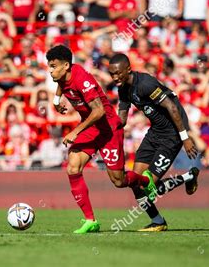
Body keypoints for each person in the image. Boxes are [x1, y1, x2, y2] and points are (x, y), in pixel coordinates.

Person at [46, 45, 155, 234]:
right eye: (49, 66)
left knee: (119, 181)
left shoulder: (82, 80)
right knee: (73, 166)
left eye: (53, 66)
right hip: (91, 128)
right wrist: (56, 101)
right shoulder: (64, 75)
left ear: (66, 66)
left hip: (108, 128)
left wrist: (75, 132)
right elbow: (60, 83)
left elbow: (99, 111)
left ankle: (145, 181)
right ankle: (91, 221)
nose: (50, 70)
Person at [108, 53, 200, 232]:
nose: (115, 77)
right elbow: (122, 119)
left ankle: (188, 177)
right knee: (136, 183)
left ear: (128, 69)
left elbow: (172, 107)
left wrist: (185, 137)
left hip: (173, 133)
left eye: (118, 73)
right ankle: (158, 221)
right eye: (112, 74)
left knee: (148, 185)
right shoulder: (122, 89)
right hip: (155, 132)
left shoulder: (145, 84)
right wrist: (108, 130)